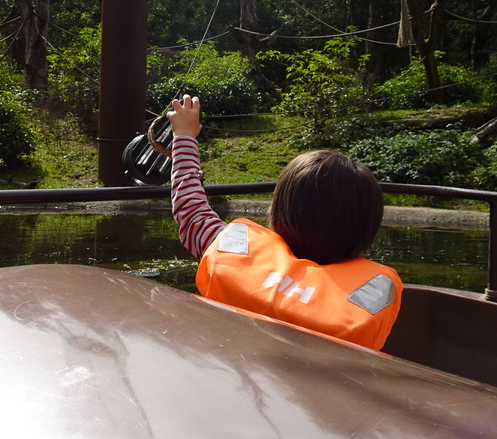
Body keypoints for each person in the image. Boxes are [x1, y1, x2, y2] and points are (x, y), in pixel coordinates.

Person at [168, 94, 402, 351]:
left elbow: (190, 209)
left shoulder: (230, 248)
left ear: (279, 210)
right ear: (368, 227)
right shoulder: (371, 294)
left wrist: (184, 138)